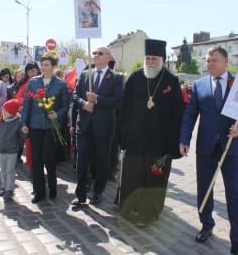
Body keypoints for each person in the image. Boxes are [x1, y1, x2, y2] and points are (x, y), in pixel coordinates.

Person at [179, 46, 238, 255]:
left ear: (226, 62)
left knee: (234, 193)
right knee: (205, 190)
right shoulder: (200, 85)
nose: (209, 64)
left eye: (214, 60)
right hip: (206, 148)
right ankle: (206, 225)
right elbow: (190, 115)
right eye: (207, 60)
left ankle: (237, 240)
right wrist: (184, 139)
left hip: (231, 149)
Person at [117, 39, 185, 227]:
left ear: (162, 59)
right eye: (147, 58)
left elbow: (178, 114)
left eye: (154, 59)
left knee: (154, 177)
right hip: (135, 140)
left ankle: (149, 213)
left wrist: (172, 145)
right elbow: (124, 109)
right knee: (133, 175)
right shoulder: (135, 78)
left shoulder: (171, 81)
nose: (150, 62)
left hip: (159, 142)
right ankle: (129, 208)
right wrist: (123, 137)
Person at [71, 47, 124, 206]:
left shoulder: (116, 78)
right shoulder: (85, 74)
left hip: (104, 127)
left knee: (102, 161)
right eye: (94, 53)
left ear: (108, 57)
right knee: (81, 161)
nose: (96, 56)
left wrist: (98, 99)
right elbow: (75, 95)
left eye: (100, 53)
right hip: (85, 126)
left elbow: (118, 101)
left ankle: (98, 192)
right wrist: (84, 104)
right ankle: (80, 194)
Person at [21, 53, 70, 203]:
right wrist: (24, 123)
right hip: (35, 125)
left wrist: (58, 114)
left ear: (53, 66)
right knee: (36, 159)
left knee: (48, 157)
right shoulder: (33, 82)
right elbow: (27, 105)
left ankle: (53, 186)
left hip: (51, 127)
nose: (44, 67)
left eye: (47, 65)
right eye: (42, 65)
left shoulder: (61, 84)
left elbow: (65, 105)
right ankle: (39, 192)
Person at [0, 99, 23, 202]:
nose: (3, 112)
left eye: (5, 111)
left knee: (10, 170)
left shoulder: (18, 122)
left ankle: (10, 189)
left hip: (12, 150)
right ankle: (4, 186)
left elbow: (22, 136)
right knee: (3, 170)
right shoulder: (0, 120)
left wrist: (17, 144)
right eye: (3, 110)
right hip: (2, 149)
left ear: (12, 112)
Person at [16, 62, 40, 174]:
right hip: (28, 117)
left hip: (42, 116)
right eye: (29, 71)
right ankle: (31, 166)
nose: (32, 73)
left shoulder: (43, 81)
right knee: (29, 144)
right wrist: (28, 101)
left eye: (34, 70)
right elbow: (18, 97)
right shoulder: (24, 84)